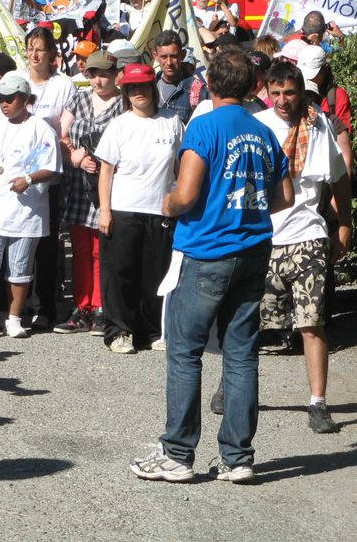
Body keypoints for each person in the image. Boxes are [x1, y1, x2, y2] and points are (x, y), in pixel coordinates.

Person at [131, 48, 293, 485]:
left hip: (207, 249)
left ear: (212, 85)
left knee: (185, 352)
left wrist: (166, 203)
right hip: (253, 249)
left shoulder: (203, 127)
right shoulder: (265, 133)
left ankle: (178, 454)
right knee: (241, 355)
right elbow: (285, 198)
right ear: (253, 88)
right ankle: (238, 458)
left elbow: (184, 195)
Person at [255, 62, 351, 433]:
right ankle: (231, 385)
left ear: (301, 92)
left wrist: (344, 223)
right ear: (268, 93)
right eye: (275, 93)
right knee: (250, 323)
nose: (282, 100)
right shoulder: (259, 126)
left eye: (289, 93)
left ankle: (318, 403)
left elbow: (339, 178)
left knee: (312, 323)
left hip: (308, 235)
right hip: (263, 237)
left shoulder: (320, 126)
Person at [0, 72, 62, 339]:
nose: (4, 103)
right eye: (1, 98)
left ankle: (14, 318)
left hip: (26, 211)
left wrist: (29, 178)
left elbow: (51, 167)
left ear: (26, 99)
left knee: (19, 269)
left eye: (10, 98)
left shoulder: (40, 129)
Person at [97, 63, 184, 354]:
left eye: (143, 86)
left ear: (153, 87)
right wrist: (105, 210)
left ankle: (152, 330)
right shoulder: (119, 125)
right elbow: (106, 171)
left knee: (155, 275)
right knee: (120, 273)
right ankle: (119, 331)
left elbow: (179, 167)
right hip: (124, 208)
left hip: (160, 209)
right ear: (125, 92)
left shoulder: (172, 121)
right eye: (132, 88)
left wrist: (179, 202)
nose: (138, 93)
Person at [57, 50, 123, 335]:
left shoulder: (124, 104)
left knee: (100, 249)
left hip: (107, 185)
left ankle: (100, 305)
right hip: (78, 185)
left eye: (105, 74)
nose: (99, 80)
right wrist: (74, 154)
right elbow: (62, 134)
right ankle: (81, 304)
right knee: (81, 248)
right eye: (94, 74)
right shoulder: (79, 98)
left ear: (115, 74)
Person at [17, 28, 76, 330]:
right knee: (19, 240)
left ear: (52, 53)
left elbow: (65, 130)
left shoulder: (63, 85)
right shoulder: (17, 80)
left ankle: (46, 304)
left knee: (47, 243)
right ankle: (18, 302)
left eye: (40, 49)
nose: (35, 55)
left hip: (49, 177)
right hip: (18, 175)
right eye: (30, 48)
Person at [154, 31, 209, 124]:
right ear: (155, 56)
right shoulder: (149, 86)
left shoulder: (198, 91)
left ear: (182, 55)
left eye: (174, 56)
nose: (169, 62)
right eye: (164, 57)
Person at [297, 44, 351, 131]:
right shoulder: (294, 93)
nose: (308, 79)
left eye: (313, 74)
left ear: (325, 69)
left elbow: (343, 133)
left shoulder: (338, 96)